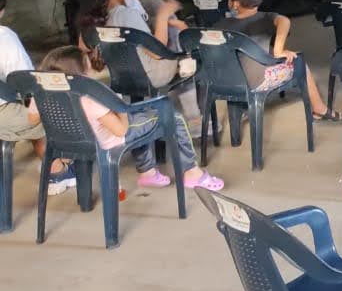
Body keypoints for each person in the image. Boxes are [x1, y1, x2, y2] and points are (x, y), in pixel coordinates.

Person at [33, 46, 225, 191]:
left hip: (75, 142)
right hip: (108, 140)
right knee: (173, 117)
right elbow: (121, 130)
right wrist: (120, 107)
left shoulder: (41, 95)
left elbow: (32, 119)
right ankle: (192, 172)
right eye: (87, 60)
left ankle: (148, 172)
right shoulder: (91, 96)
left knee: (143, 115)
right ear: (82, 70)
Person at [78, 0, 199, 121]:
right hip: (150, 75)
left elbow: (82, 45)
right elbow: (157, 53)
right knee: (190, 56)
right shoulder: (126, 14)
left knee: (155, 4)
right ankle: (193, 115)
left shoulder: (101, 12)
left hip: (121, 75)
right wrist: (163, 17)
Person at [215, 0, 342, 122]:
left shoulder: (221, 24)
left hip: (222, 81)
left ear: (234, 3)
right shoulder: (265, 17)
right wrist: (279, 50)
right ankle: (319, 109)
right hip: (256, 81)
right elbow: (284, 21)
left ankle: (241, 107)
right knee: (299, 62)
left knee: (257, 49)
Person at [0, 0, 74, 195]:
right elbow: (26, 83)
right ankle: (59, 171)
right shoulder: (4, 37)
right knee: (50, 108)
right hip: (3, 115)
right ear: (3, 8)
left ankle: (56, 164)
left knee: (28, 108)